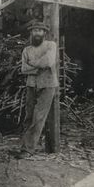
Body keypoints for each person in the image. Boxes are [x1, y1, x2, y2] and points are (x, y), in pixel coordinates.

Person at [16, 21, 59, 159]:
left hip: (47, 84)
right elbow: (24, 69)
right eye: (35, 31)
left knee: (39, 116)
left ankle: (28, 149)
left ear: (44, 33)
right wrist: (39, 67)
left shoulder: (50, 45)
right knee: (28, 116)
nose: (37, 33)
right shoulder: (26, 50)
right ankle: (27, 146)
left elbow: (49, 62)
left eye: (40, 31)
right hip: (31, 84)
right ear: (31, 33)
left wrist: (33, 64)